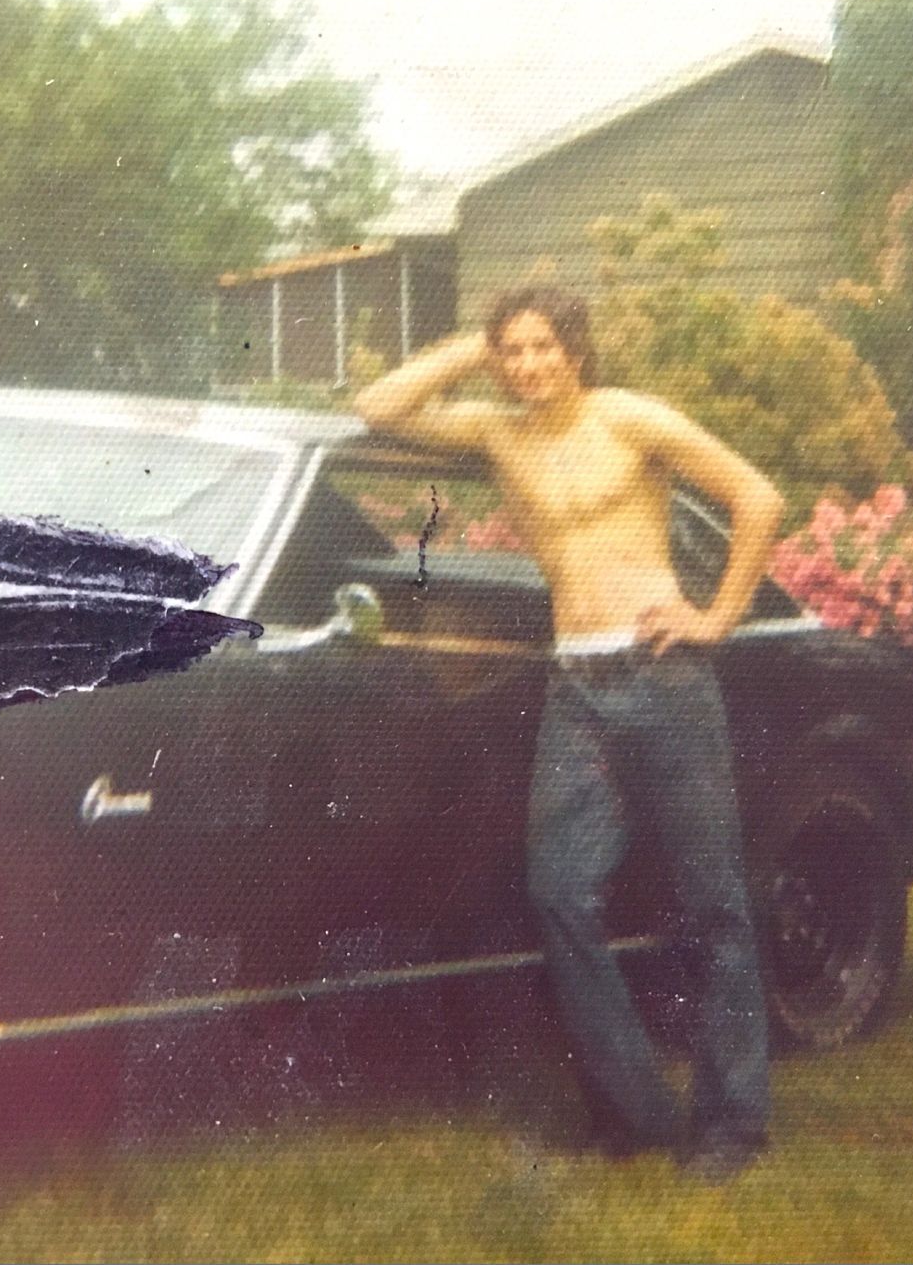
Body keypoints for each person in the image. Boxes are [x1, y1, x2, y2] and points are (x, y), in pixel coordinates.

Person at [352, 285, 785, 1184]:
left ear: (577, 351)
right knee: (559, 891)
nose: (528, 365)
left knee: (715, 906)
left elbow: (759, 498)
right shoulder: (496, 431)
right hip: (578, 689)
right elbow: (377, 407)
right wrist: (472, 346)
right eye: (514, 351)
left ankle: (733, 1124)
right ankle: (634, 1110)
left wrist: (717, 616)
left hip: (665, 680)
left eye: (543, 346)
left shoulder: (629, 419)